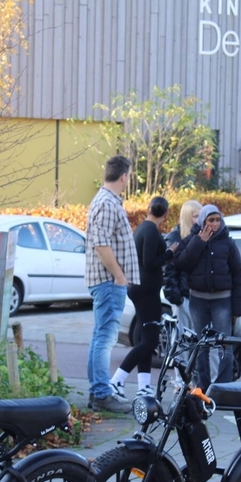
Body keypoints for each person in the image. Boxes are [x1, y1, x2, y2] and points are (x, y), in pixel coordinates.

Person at [85, 155, 140, 413]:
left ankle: (97, 391)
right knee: (105, 338)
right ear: (124, 177)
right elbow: (101, 244)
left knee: (100, 337)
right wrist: (119, 276)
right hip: (109, 282)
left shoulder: (104, 201)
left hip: (106, 281)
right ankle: (101, 394)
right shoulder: (108, 204)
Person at [173, 204, 241, 390]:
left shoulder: (228, 243)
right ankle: (202, 387)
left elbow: (238, 274)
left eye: (217, 220)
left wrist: (238, 309)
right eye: (210, 220)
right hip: (198, 300)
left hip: (222, 300)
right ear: (202, 221)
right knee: (201, 344)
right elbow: (182, 263)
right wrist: (200, 241)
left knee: (224, 344)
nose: (214, 224)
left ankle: (224, 387)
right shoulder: (192, 240)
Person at [111, 196, 171, 397]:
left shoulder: (141, 229)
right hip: (147, 290)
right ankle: (117, 380)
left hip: (139, 287)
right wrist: (170, 253)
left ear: (148, 209)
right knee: (150, 340)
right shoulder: (151, 230)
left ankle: (144, 385)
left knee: (146, 338)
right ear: (166, 213)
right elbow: (149, 261)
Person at [163, 200, 200, 335]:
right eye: (196, 216)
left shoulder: (200, 237)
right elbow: (168, 271)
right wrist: (176, 298)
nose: (199, 220)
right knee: (181, 339)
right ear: (187, 217)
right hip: (183, 296)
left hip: (196, 295)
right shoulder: (174, 238)